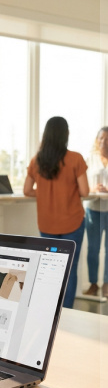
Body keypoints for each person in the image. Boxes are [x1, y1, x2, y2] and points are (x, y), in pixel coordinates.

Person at [23, 116, 89, 308]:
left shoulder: (37, 160)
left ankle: (49, 311)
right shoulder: (75, 158)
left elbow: (27, 190)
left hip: (47, 224)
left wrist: (44, 193)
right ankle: (66, 313)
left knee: (50, 270)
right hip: (73, 223)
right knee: (70, 270)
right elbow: (85, 191)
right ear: (65, 135)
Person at [83, 126, 108, 297]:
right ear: (96, 140)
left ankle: (106, 284)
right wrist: (93, 188)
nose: (104, 142)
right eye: (101, 139)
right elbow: (81, 183)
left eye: (107, 139)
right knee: (93, 249)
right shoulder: (89, 159)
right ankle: (93, 284)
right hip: (93, 209)